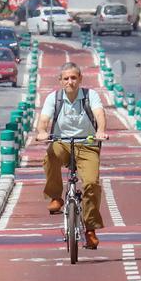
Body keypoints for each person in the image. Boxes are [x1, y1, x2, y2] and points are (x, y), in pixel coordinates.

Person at [35, 61, 108, 249]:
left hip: (87, 145)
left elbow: (99, 115)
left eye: (74, 78)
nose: (70, 82)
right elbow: (43, 120)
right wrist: (42, 132)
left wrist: (100, 130)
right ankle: (56, 196)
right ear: (60, 81)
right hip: (63, 143)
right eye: (66, 78)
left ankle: (90, 229)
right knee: (51, 154)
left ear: (80, 79)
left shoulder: (90, 96)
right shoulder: (54, 98)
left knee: (92, 183)